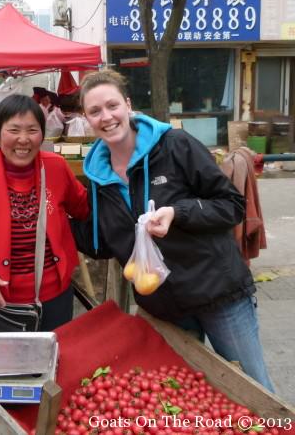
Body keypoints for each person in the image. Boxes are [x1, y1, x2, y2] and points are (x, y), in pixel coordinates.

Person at [71, 69, 275, 391]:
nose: (106, 117)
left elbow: (231, 206)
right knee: (190, 398)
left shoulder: (174, 146)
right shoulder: (97, 177)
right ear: (86, 118)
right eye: (95, 111)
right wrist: (54, 217)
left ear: (128, 105)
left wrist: (177, 213)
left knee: (252, 391)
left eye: (112, 105)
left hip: (219, 295)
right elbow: (104, 243)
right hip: (166, 311)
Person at [0, 94, 89, 331]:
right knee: (4, 366)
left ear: (42, 134)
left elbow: (84, 208)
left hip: (56, 295)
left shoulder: (56, 167)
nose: (23, 139)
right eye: (14, 130)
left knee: (54, 362)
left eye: (32, 130)